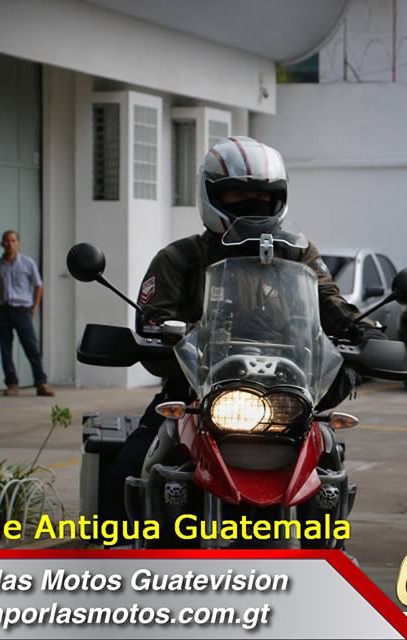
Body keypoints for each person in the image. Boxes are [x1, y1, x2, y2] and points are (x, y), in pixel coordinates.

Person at [101, 136, 383, 520]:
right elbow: (153, 319)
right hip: (196, 399)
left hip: (285, 397)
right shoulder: (180, 257)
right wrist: (160, 335)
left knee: (328, 460)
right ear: (211, 194)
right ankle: (112, 553)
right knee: (128, 470)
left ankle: (327, 546)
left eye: (263, 197)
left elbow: (328, 299)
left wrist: (364, 330)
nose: (252, 204)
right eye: (237, 195)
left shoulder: (297, 254)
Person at [0, 230, 55, 397]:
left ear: (18, 243)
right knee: (5, 349)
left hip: (22, 310)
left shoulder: (27, 263)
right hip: (3, 310)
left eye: (13, 240)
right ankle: (12, 384)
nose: (10, 244)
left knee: (31, 347)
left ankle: (41, 383)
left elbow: (38, 285)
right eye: (7, 240)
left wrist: (34, 307)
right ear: (2, 243)